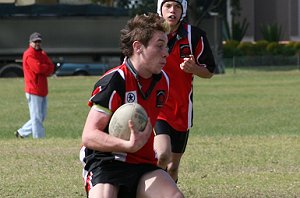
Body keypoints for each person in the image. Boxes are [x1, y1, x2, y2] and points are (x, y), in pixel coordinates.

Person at [80, 13, 184, 198]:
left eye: (166, 46)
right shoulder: (114, 81)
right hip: (107, 163)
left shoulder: (163, 82)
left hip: (142, 165)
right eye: (159, 46)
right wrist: (127, 145)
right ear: (138, 47)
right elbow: (89, 135)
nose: (166, 52)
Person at [154, 0, 217, 182]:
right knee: (161, 156)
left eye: (177, 6)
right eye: (168, 6)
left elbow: (209, 72)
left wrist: (194, 68)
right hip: (157, 106)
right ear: (160, 9)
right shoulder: (149, 33)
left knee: (173, 167)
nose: (172, 11)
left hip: (182, 109)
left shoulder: (194, 36)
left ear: (183, 10)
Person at [15, 32, 55, 139]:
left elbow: (51, 67)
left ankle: (22, 132)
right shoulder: (28, 54)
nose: (37, 43)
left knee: (41, 116)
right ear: (30, 42)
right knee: (37, 117)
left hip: (42, 89)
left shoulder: (42, 53)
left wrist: (44, 67)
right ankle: (39, 139)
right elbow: (38, 69)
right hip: (33, 89)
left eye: (39, 41)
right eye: (35, 41)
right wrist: (45, 67)